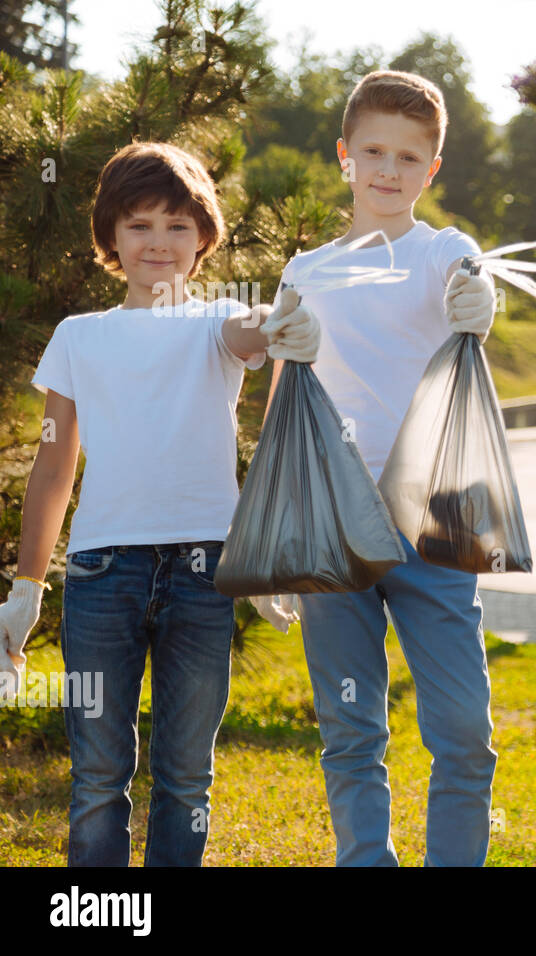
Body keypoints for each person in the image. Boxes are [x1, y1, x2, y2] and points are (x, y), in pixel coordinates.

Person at [0, 141, 316, 866]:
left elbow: (253, 329)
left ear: (204, 237)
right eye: (139, 225)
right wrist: (26, 588)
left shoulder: (215, 323)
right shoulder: (80, 337)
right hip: (100, 573)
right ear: (110, 236)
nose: (159, 243)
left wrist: (278, 319)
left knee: (186, 777)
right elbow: (53, 468)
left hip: (206, 571)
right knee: (98, 776)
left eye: (178, 226)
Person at [255, 70, 499, 867]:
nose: (388, 170)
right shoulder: (307, 271)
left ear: (432, 170)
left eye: (408, 156)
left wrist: (480, 300)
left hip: (435, 519)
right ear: (344, 157)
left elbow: (472, 284)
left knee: (462, 729)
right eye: (373, 152)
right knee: (351, 726)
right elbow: (287, 391)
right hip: (333, 521)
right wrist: (272, 539)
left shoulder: (444, 251)